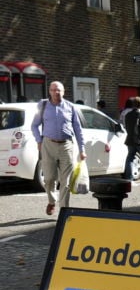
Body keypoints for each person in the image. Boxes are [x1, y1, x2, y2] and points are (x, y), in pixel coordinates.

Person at [30, 81, 87, 216]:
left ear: (63, 91)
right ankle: (51, 200)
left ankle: (64, 210)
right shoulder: (43, 105)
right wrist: (39, 140)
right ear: (49, 91)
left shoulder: (70, 107)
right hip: (48, 144)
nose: (56, 92)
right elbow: (34, 125)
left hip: (67, 145)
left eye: (59, 90)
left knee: (65, 181)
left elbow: (78, 129)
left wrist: (82, 149)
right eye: (53, 90)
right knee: (49, 178)